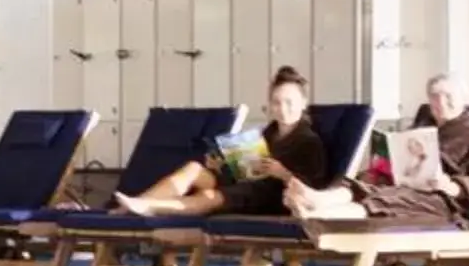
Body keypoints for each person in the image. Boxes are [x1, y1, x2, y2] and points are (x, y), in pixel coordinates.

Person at [112, 67, 328, 218]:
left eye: (289, 102)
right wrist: (222, 166)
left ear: (303, 103)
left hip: (271, 200)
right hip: (247, 189)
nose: (283, 109)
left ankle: (151, 207)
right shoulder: (267, 134)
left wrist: (283, 173)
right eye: (277, 103)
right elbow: (246, 171)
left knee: (209, 195)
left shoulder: (309, 142)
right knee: (194, 168)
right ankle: (136, 206)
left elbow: (314, 188)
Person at [290, 73, 469, 224]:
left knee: (385, 200)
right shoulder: (423, 128)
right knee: (360, 183)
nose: (441, 102)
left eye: (448, 96)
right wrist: (381, 168)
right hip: (404, 185)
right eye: (434, 96)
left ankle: (316, 215)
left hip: (441, 200)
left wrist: (449, 186)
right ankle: (318, 199)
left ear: (463, 100)